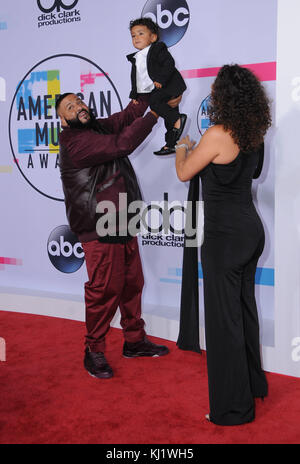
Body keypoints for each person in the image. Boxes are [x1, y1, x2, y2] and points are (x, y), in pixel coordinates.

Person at [56, 92, 181, 379]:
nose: (80, 108)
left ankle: (134, 341)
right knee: (104, 290)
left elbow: (125, 117)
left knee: (132, 284)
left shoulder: (97, 126)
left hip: (122, 218)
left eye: (80, 102)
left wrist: (150, 94)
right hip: (99, 226)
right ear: (63, 120)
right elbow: (122, 143)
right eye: (71, 107)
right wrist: (155, 115)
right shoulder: (74, 141)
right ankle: (93, 350)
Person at [175, 64, 271, 425]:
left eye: (215, 89)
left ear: (222, 96)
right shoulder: (254, 132)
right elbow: (255, 172)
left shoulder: (216, 133)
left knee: (223, 321)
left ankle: (233, 408)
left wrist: (184, 147)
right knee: (243, 311)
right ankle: (253, 386)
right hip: (250, 233)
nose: (212, 94)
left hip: (225, 239)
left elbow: (184, 171)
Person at [127, 17, 187, 156]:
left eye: (141, 33)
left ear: (153, 37)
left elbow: (169, 64)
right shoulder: (136, 57)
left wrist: (160, 79)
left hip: (169, 86)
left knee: (155, 103)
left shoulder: (158, 49)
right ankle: (171, 144)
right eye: (133, 35)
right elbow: (135, 78)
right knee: (168, 119)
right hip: (159, 88)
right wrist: (134, 95)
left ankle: (178, 119)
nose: (136, 38)